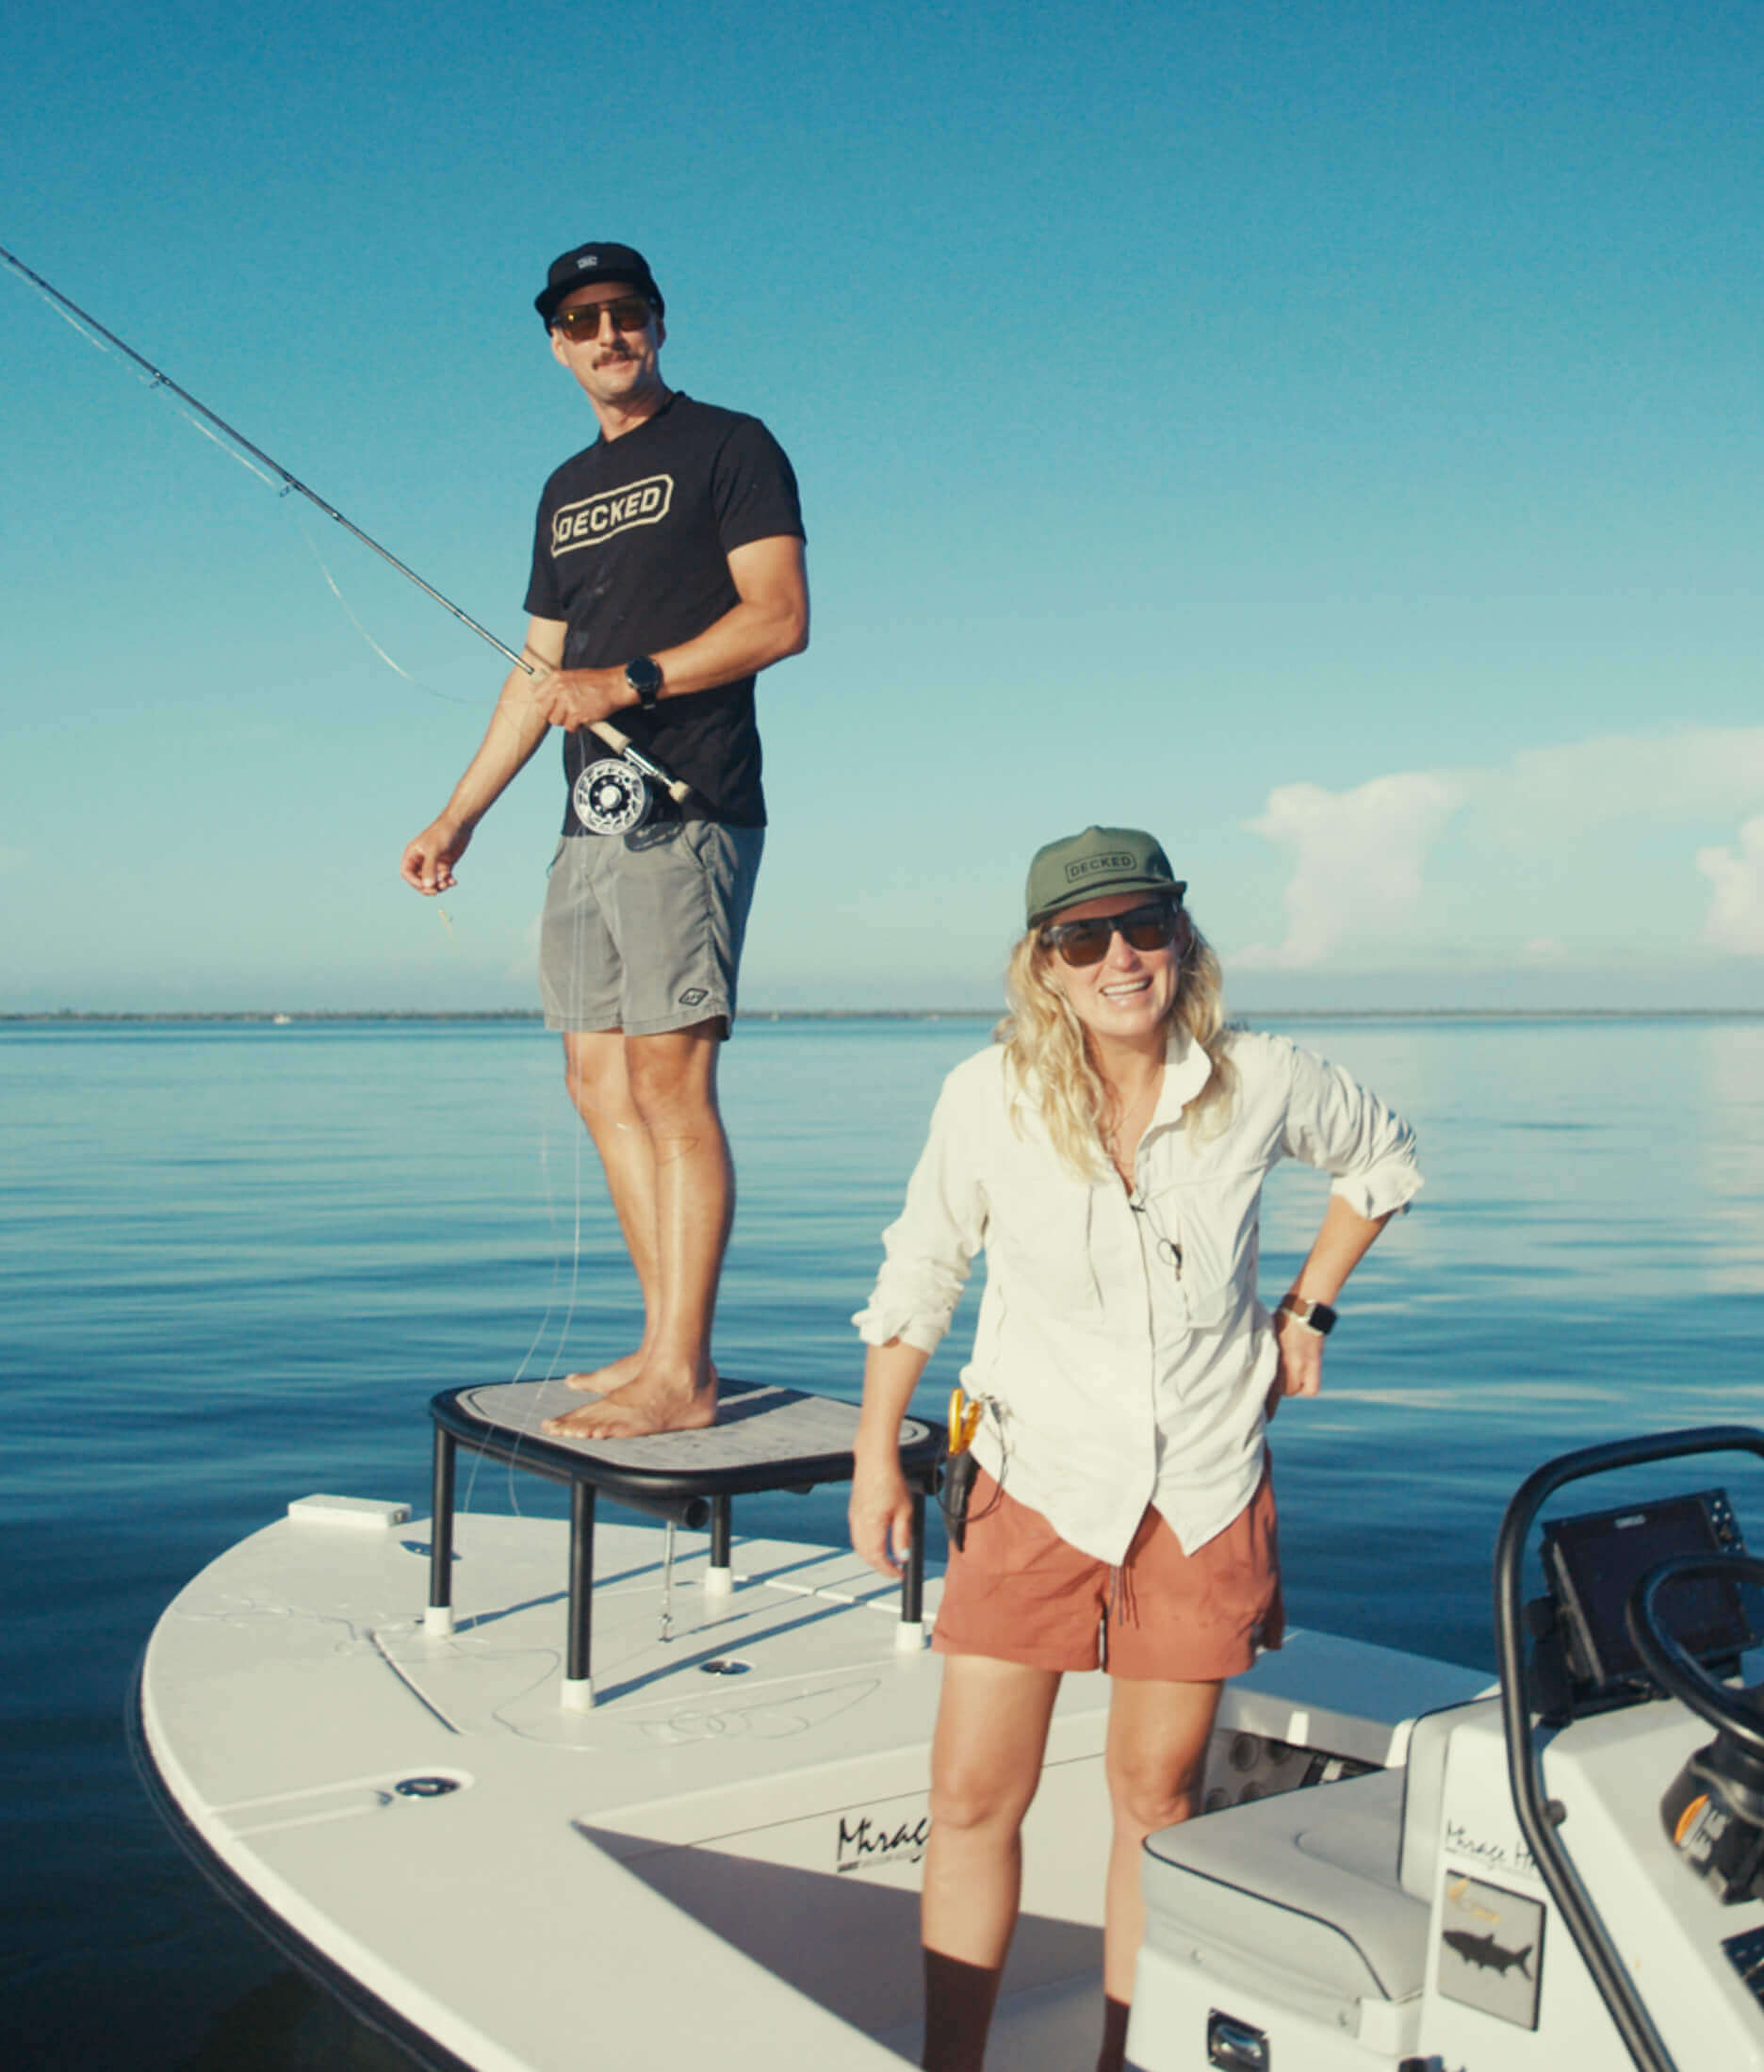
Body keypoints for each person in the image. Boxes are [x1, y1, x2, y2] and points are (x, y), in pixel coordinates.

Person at [848, 826, 1422, 2072]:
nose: (1119, 957)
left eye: (1143, 925)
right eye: (1082, 936)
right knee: (967, 1797)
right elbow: (922, 1266)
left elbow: (1382, 1158)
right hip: (1032, 1487)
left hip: (1203, 1494)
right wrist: (869, 1451)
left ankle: (1126, 2059)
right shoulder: (982, 1094)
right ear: (1042, 963)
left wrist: (1310, 1306)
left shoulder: (1258, 1077)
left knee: (1156, 1802)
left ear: (1181, 937)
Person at [400, 241, 808, 1441]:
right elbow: (538, 674)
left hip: (693, 803)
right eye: (582, 319)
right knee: (597, 1080)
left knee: (671, 1080)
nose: (607, 333)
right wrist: (456, 812)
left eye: (626, 312)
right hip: (589, 821)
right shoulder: (563, 489)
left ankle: (684, 1371)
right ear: (557, 344)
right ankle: (655, 1338)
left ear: (659, 324)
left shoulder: (732, 445)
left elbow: (778, 618)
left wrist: (626, 680)